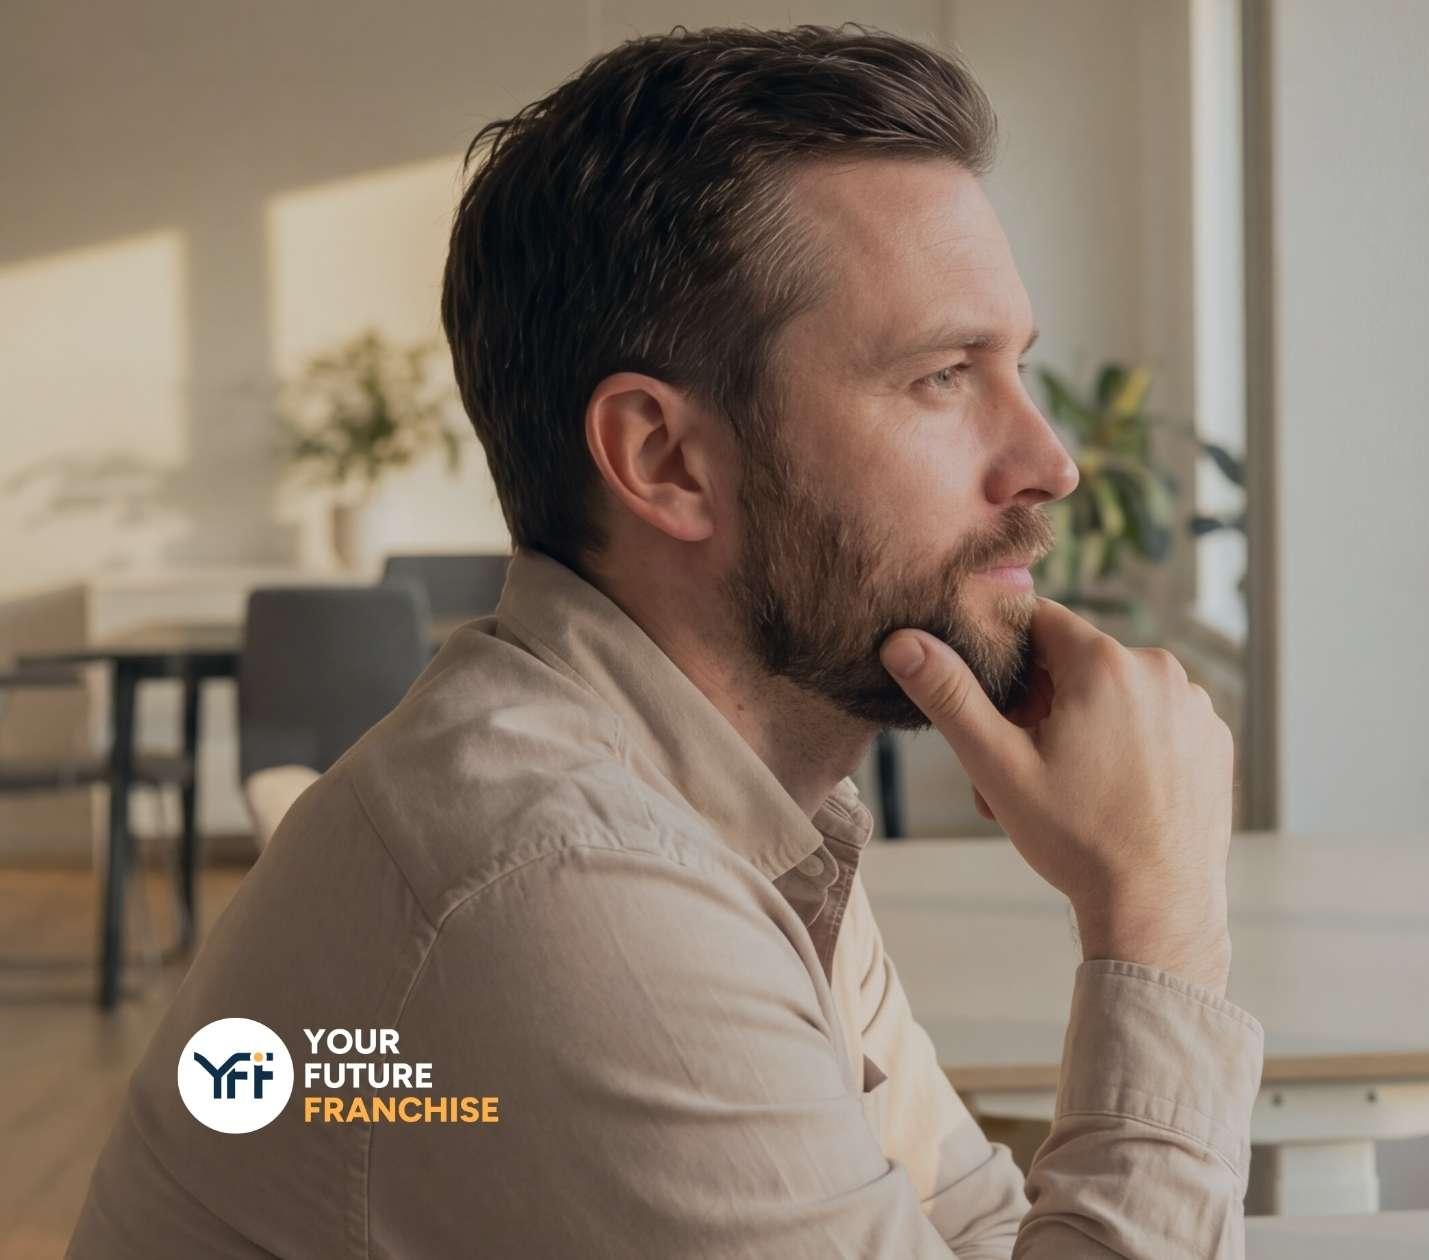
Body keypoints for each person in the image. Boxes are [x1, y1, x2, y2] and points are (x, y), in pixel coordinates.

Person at [69, 24, 1262, 1258]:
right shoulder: (566, 889)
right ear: (663, 460)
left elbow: (961, 1225)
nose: (1047, 462)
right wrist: (1158, 919)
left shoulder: (728, 810)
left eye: (1015, 365)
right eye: (942, 376)